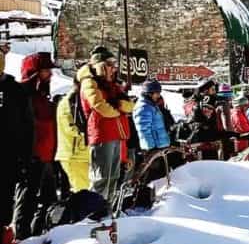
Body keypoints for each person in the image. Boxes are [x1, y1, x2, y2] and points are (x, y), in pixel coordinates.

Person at [78, 47, 134, 204]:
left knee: (113, 177)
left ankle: (107, 210)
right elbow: (101, 107)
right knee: (101, 178)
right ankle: (94, 212)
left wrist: (117, 106)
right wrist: (119, 109)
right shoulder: (90, 82)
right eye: (110, 64)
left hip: (116, 133)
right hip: (101, 134)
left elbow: (130, 105)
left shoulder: (113, 85)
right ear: (100, 65)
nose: (113, 68)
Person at [12, 53, 58, 240]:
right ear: (35, 73)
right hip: (31, 156)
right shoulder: (21, 95)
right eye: (46, 71)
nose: (51, 75)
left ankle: (37, 235)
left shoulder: (43, 95)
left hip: (46, 156)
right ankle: (21, 237)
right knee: (27, 199)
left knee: (49, 200)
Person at [0, 38, 33, 243]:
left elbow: (27, 128)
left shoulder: (15, 91)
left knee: (4, 204)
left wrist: (25, 159)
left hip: (8, 158)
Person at [55, 78, 90, 193]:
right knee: (84, 192)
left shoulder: (77, 101)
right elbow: (72, 128)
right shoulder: (69, 103)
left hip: (81, 155)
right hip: (74, 155)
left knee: (87, 192)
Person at [133, 80, 171, 152]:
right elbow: (144, 130)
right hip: (153, 148)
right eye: (157, 93)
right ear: (149, 93)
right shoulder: (144, 107)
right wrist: (151, 148)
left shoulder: (151, 105)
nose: (159, 96)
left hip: (159, 146)